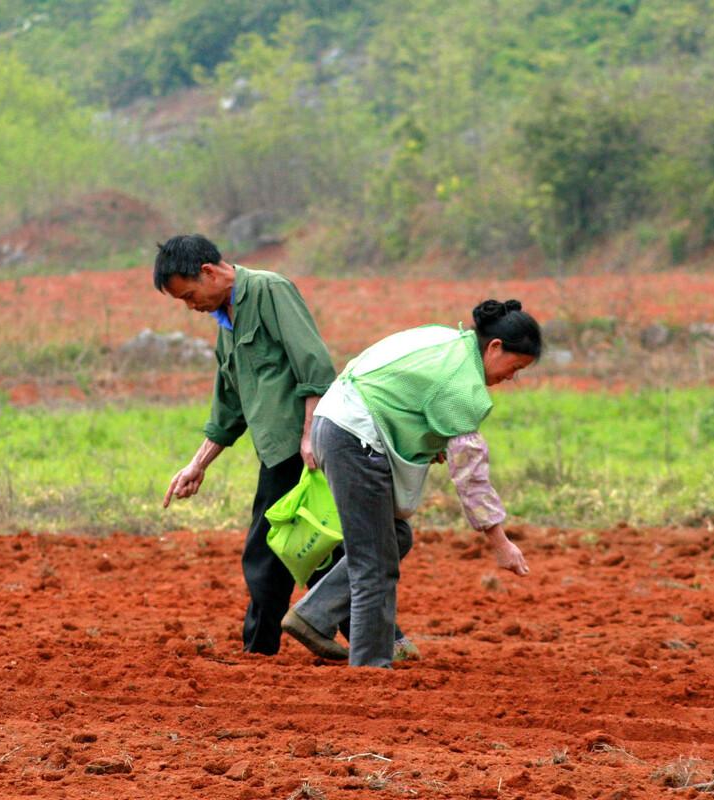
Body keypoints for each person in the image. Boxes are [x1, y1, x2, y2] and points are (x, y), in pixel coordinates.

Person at [281, 299, 540, 667]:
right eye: (514, 367)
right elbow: (471, 477)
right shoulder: (464, 387)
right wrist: (499, 541)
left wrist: (428, 441)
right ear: (495, 347)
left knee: (393, 537)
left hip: (334, 422)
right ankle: (371, 666)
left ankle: (313, 615)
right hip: (355, 438)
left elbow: (400, 392)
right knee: (374, 561)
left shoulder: (445, 339)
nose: (511, 377)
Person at [155, 233, 338, 656]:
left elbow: (313, 364)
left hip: (300, 446)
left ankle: (259, 649)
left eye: (189, 295)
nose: (191, 307)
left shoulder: (270, 290)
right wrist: (197, 465)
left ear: (209, 271)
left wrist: (310, 435)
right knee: (311, 547)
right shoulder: (226, 319)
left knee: (268, 549)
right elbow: (229, 404)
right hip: (277, 447)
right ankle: (375, 636)